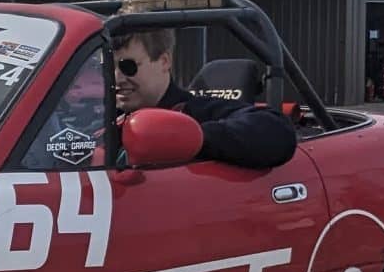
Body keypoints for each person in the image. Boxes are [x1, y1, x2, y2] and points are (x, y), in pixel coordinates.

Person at [110, 28, 297, 169]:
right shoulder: (100, 120)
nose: (117, 78)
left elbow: (278, 131)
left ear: (164, 61)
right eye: (107, 67)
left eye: (128, 66)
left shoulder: (196, 113)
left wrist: (190, 138)